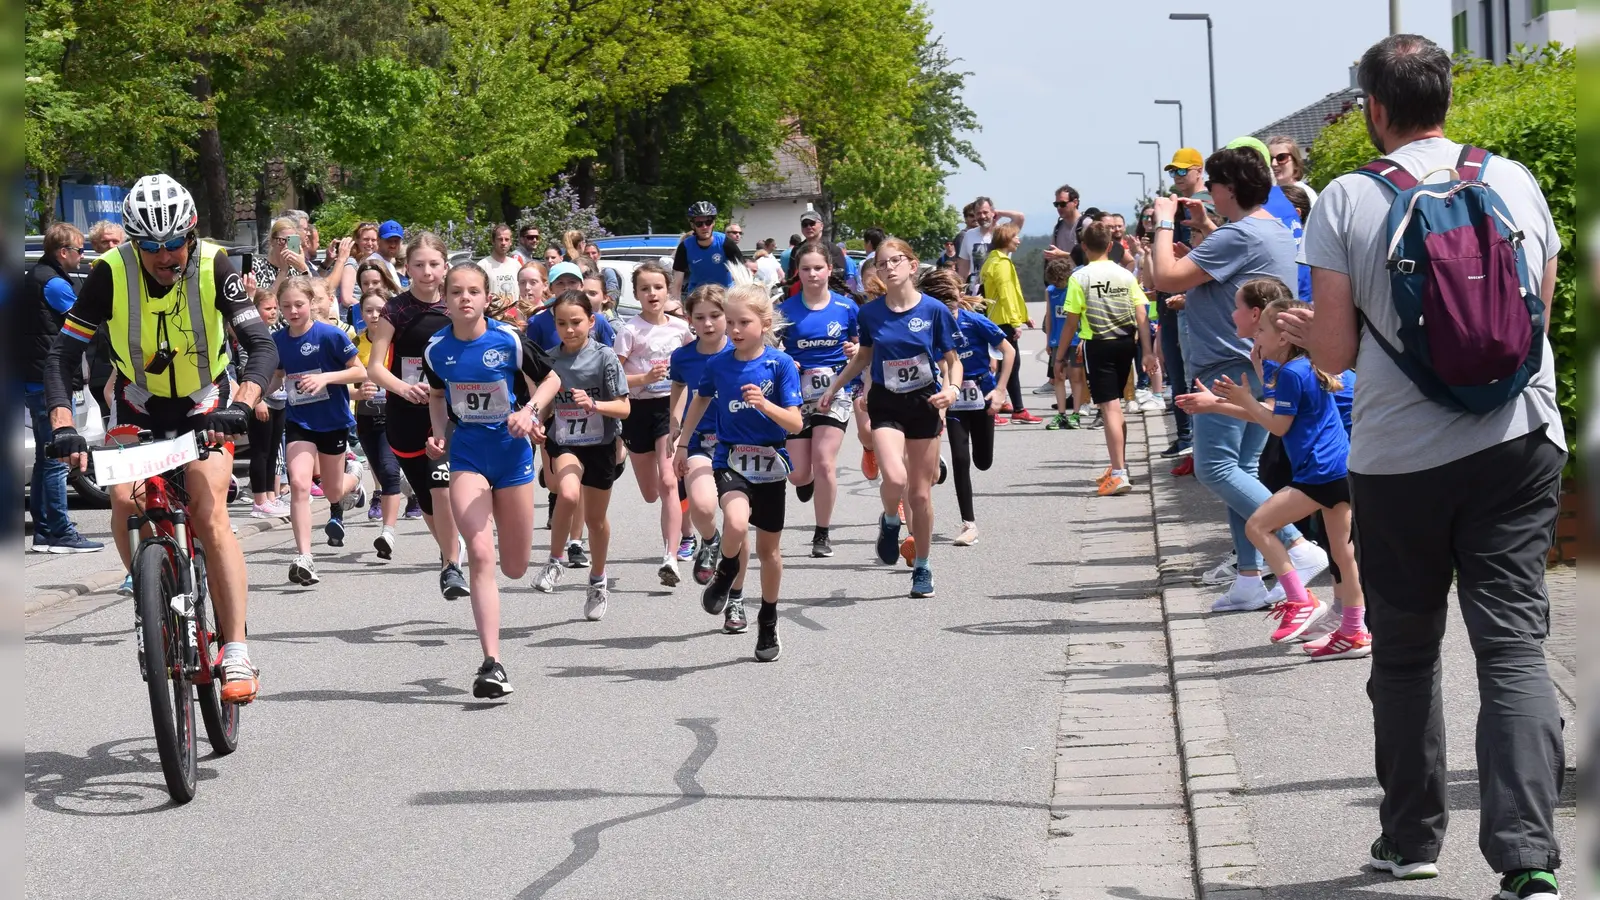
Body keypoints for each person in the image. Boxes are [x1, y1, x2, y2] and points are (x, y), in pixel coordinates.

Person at [1282, 34, 1567, 896]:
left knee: (1406, 651)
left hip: (1401, 459)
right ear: (1447, 98)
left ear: (1373, 107)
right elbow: (1539, 314)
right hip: (1519, 443)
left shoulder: (1345, 199)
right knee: (1513, 646)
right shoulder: (1512, 178)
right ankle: (1528, 862)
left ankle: (1411, 841)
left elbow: (1334, 354)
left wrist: (1302, 334)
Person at [46, 173, 273, 704]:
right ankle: (154, 595)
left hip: (206, 401)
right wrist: (63, 423)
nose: (165, 255)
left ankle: (236, 647)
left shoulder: (220, 266)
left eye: (174, 243)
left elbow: (261, 346)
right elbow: (62, 355)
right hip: (139, 401)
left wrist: (243, 401)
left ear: (191, 235)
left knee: (206, 501)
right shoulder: (108, 273)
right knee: (124, 499)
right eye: (151, 246)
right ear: (133, 242)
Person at [1149, 147, 1329, 612]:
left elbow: (1165, 277)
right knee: (1242, 471)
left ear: (1229, 188)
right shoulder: (1267, 228)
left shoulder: (1239, 235)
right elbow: (1232, 280)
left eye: (1213, 183)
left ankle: (1295, 546)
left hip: (1224, 365)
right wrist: (1204, 239)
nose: (1208, 190)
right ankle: (1248, 579)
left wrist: (1163, 221)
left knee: (1217, 469)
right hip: (1252, 361)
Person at [1181, 281, 1368, 658]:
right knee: (1343, 554)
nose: (1259, 338)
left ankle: (1300, 601)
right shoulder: (1301, 367)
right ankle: (1355, 630)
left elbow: (1277, 426)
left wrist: (1241, 398)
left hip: (1319, 473)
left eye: (1264, 331)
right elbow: (1276, 416)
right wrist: (1221, 403)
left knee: (1258, 526)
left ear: (1284, 338)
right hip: (1340, 469)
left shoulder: (1293, 373)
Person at [422, 262, 561, 699]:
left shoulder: (509, 340)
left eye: (473, 291)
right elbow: (439, 396)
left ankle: (495, 644)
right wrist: (440, 437)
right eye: (456, 292)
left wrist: (528, 411)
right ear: (445, 300)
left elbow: (551, 378)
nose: (465, 298)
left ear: (486, 298)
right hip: (468, 457)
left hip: (513, 455)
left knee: (515, 567)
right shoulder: (436, 350)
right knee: (481, 553)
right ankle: (492, 662)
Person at [819, 238, 961, 599]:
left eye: (895, 260)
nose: (889, 267)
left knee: (921, 494)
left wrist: (953, 390)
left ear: (912, 265)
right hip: (885, 403)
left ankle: (923, 567)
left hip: (924, 404)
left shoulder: (933, 311)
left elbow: (952, 361)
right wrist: (835, 387)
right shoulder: (870, 313)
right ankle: (890, 520)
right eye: (882, 264)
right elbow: (863, 356)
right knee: (894, 478)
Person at [674, 282, 804, 660]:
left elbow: (795, 423)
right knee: (733, 520)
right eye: (729, 321)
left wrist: (765, 405)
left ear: (763, 324)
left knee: (769, 551)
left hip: (770, 462)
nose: (733, 330)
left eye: (741, 322)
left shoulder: (779, 364)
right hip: (730, 458)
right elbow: (699, 400)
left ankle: (768, 620)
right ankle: (727, 572)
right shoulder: (718, 364)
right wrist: (683, 441)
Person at [362, 232, 470, 600]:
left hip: (448, 412)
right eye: (419, 265)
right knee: (425, 497)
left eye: (434, 264)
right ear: (406, 268)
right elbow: (375, 368)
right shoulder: (396, 309)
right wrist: (403, 388)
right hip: (403, 414)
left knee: (441, 483)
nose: (427, 272)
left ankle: (450, 566)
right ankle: (449, 549)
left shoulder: (457, 306)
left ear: (445, 267)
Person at [531, 291, 630, 621]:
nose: (569, 329)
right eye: (561, 323)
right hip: (564, 442)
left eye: (576, 322)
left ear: (591, 321)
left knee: (596, 521)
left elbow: (624, 407)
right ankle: (555, 561)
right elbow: (542, 403)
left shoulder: (605, 358)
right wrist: (535, 421)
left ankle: (598, 580)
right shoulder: (548, 359)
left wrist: (594, 405)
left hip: (600, 443)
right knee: (568, 494)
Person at [269, 277, 366, 585]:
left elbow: (359, 371)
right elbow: (277, 376)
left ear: (311, 302)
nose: (293, 311)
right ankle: (304, 557)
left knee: (333, 491)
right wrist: (255, 394)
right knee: (298, 483)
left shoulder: (330, 335)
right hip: (299, 421)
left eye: (299, 304)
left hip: (332, 421)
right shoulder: (278, 339)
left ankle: (356, 478)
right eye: (286, 306)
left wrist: (325, 379)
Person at [1059, 222, 1158, 496]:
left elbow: (1071, 321)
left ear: (1084, 247)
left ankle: (1118, 473)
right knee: (1116, 406)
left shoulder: (1079, 277)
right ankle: (1119, 464)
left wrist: (1059, 356)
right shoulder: (1125, 275)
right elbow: (1142, 313)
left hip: (1098, 344)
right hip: (1126, 343)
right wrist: (1147, 351)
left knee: (1109, 408)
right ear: (1111, 246)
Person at [777, 240, 860, 558]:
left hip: (834, 392)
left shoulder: (846, 307)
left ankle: (821, 533)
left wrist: (853, 350)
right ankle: (806, 479)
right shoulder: (786, 310)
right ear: (797, 271)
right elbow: (771, 349)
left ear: (829, 270)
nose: (812, 274)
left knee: (825, 460)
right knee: (798, 473)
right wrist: (787, 361)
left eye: (818, 268)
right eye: (806, 268)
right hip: (797, 395)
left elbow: (858, 347)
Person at [614, 261, 695, 586]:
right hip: (637, 412)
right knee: (651, 493)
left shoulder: (680, 328)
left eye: (658, 287)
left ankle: (670, 557)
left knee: (668, 482)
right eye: (645, 288)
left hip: (669, 409)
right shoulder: (629, 330)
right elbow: (613, 377)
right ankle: (684, 528)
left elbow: (697, 359)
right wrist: (644, 377)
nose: (652, 293)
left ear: (668, 291)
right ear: (636, 294)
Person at [919, 268, 1013, 547]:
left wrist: (1000, 391)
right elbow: (942, 367)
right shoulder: (931, 328)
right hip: (954, 401)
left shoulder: (975, 321)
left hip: (982, 396)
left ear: (960, 298)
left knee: (983, 461)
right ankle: (968, 523)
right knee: (962, 460)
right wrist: (942, 405)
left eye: (951, 304)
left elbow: (1009, 351)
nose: (948, 311)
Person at [25, 222, 103, 553]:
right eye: (79, 250)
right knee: (58, 458)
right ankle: (59, 531)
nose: (82, 256)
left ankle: (44, 530)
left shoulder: (34, 278)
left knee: (46, 457)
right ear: (63, 252)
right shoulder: (55, 284)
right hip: (49, 380)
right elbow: (86, 323)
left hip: (32, 377)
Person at [669, 285, 733, 589]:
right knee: (704, 506)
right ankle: (710, 539)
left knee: (739, 520)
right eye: (700, 317)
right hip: (698, 440)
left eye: (715, 315)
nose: (708, 323)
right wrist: (674, 423)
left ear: (727, 315)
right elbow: (679, 387)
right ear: (689, 319)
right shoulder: (682, 357)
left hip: (738, 441)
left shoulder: (740, 349)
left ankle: (733, 586)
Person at [1158, 148, 1209, 462]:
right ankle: (1187, 438)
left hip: (1193, 303)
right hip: (1173, 299)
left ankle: (1196, 443)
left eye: (1181, 171)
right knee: (1178, 374)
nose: (1176, 177)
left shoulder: (1205, 206)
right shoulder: (1178, 209)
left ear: (1198, 170)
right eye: (1172, 172)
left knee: (1194, 375)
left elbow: (1206, 258)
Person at [353, 288, 405, 545]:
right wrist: (358, 393)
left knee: (388, 471)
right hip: (364, 418)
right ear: (360, 313)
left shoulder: (399, 342)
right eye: (369, 310)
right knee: (379, 469)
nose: (374, 315)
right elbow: (344, 388)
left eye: (380, 310)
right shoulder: (353, 344)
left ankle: (388, 532)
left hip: (393, 416)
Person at [977, 223, 1039, 424]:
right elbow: (1006, 295)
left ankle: (1015, 408)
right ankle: (996, 408)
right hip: (1003, 321)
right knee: (1008, 365)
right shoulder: (1002, 263)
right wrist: (1015, 322)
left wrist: (1023, 316)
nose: (1019, 240)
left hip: (995, 319)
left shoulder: (991, 261)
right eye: (1016, 237)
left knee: (1006, 365)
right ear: (1006, 238)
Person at [244, 288, 289, 519]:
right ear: (255, 310)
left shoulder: (277, 332)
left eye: (274, 308)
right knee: (260, 451)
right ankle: (259, 500)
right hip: (260, 401)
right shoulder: (250, 336)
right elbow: (246, 369)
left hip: (279, 399)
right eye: (267, 308)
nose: (273, 312)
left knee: (273, 450)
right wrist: (257, 400)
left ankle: (271, 496)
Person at [1045, 258, 1087, 430]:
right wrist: (1048, 340)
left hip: (1075, 339)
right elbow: (1049, 317)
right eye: (1055, 280)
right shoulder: (1051, 291)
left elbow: (1083, 315)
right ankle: (1061, 414)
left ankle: (1075, 413)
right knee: (1058, 376)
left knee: (1076, 377)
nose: (1057, 283)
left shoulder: (1075, 288)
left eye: (1060, 280)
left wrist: (1083, 338)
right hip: (1057, 340)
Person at [955, 197, 1024, 294]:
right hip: (976, 292)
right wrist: (960, 291)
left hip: (1000, 289)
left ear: (992, 212)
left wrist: (999, 213)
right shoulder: (969, 235)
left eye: (985, 212)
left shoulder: (1003, 232)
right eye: (978, 213)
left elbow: (1020, 217)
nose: (982, 216)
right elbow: (963, 268)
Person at [252, 216, 313, 290]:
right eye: (282, 240)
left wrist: (303, 267)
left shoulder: (296, 268)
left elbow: (311, 292)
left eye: (291, 242)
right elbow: (266, 299)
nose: (286, 246)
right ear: (272, 241)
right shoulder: (256, 266)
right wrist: (283, 271)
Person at [1267, 135, 1319, 205]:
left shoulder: (1307, 194)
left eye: (1281, 157)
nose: (1274, 164)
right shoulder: (1266, 195)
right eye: (1270, 158)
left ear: (1295, 163)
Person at [478, 224, 523, 297]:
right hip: (493, 308)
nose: (503, 243)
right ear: (493, 241)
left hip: (514, 308)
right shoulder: (482, 266)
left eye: (507, 239)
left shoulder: (516, 265)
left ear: (511, 242)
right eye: (500, 239)